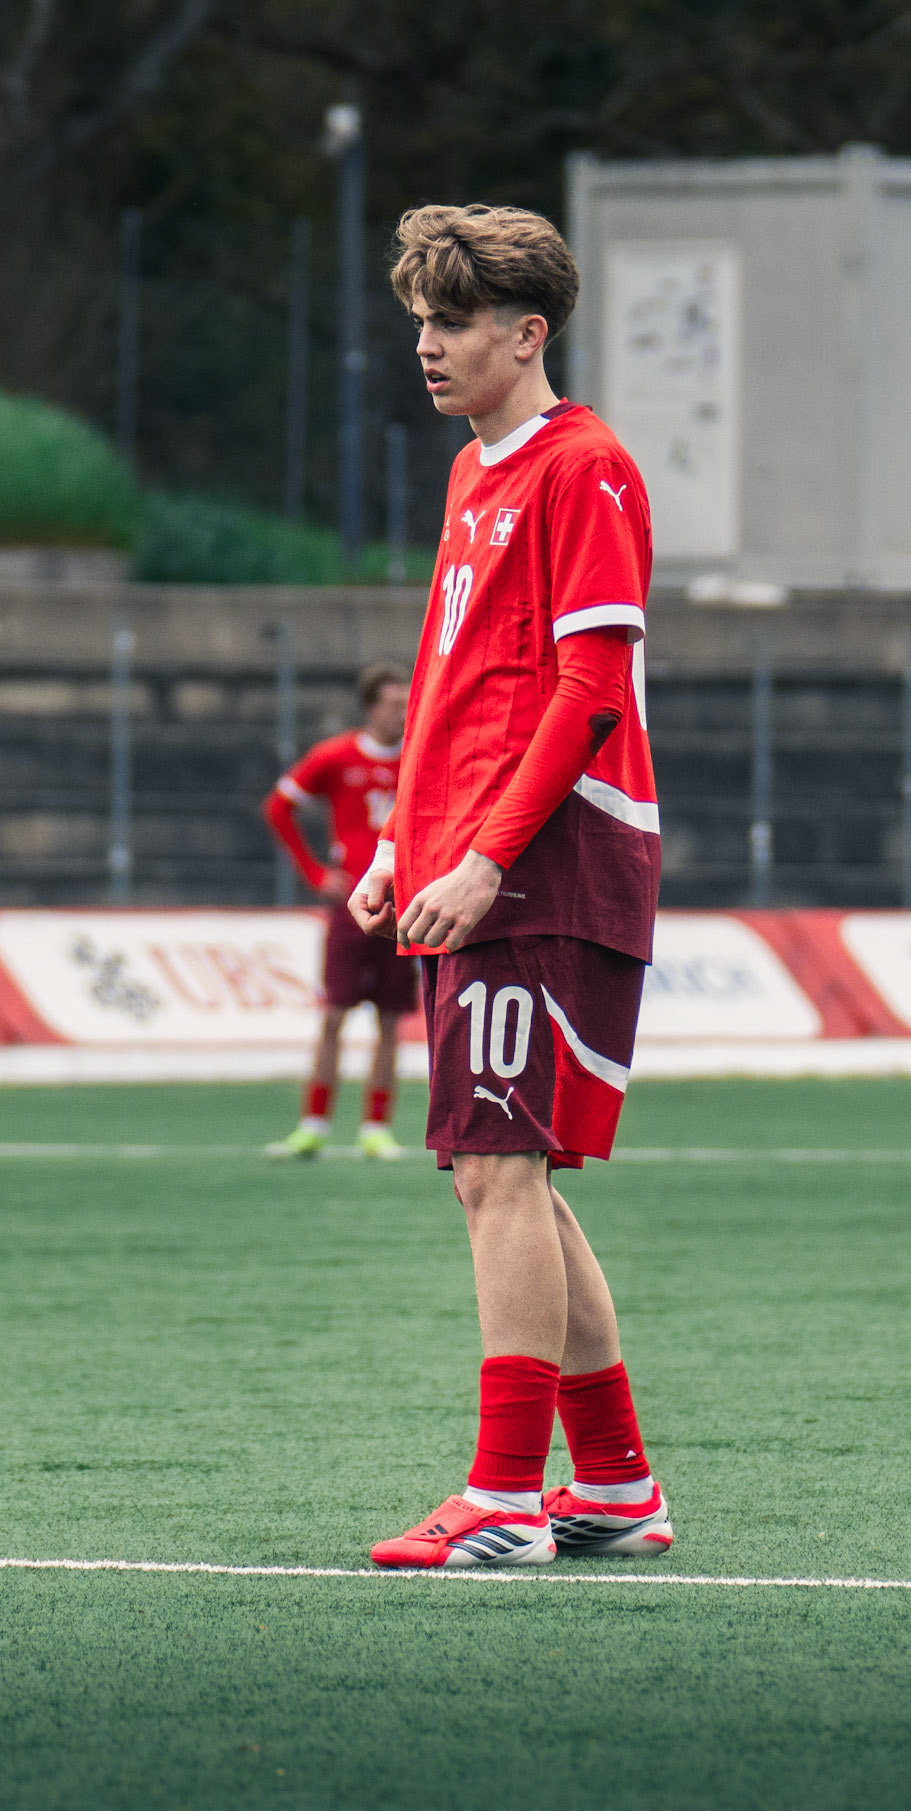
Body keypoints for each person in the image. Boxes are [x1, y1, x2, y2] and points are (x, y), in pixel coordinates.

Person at [348, 204, 672, 1568]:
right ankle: (613, 1485)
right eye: (420, 320)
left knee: (497, 1169)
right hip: (470, 859)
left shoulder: (584, 468)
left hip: (541, 868)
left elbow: (589, 689)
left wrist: (484, 860)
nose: (427, 345)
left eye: (454, 321)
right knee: (506, 1172)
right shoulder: (475, 473)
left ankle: (503, 1497)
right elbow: (451, 677)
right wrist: (399, 843)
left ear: (527, 332)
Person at [263, 663, 417, 1160]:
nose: (402, 713)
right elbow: (278, 807)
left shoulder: (421, 754)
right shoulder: (336, 756)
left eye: (407, 703)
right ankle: (313, 1124)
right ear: (370, 707)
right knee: (334, 1015)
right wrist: (314, 872)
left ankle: (376, 1128)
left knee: (390, 1020)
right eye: (393, 704)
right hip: (351, 907)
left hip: (402, 905)